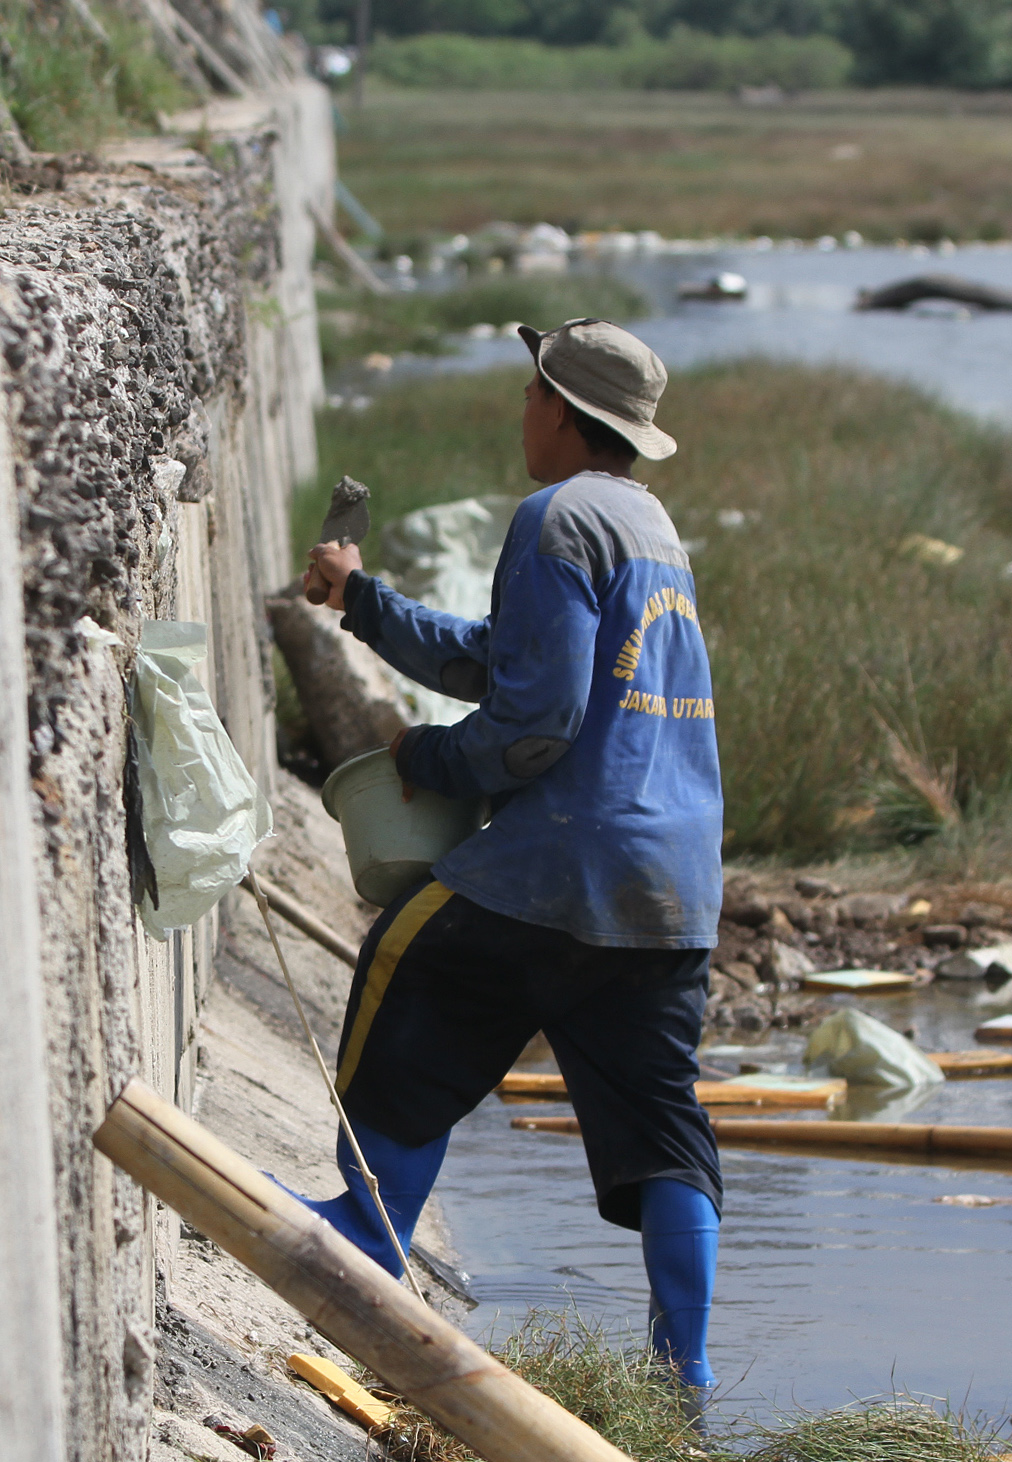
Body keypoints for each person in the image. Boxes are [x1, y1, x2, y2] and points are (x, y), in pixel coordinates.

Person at [296, 318, 726, 1405]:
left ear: (554, 405)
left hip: (562, 866)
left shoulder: (554, 517)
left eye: (526, 394)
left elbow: (535, 720)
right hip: (670, 890)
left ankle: (365, 1236)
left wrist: (423, 757)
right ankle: (684, 1377)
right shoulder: (647, 528)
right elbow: (502, 659)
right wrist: (361, 600)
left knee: (406, 962)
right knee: (662, 1125)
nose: (518, 414)